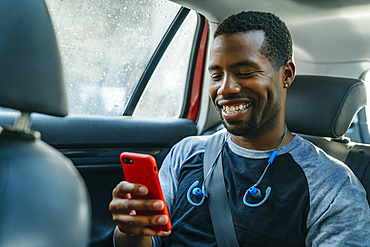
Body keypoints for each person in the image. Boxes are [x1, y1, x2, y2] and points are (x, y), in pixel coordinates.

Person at [109, 11, 370, 246]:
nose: (225, 88)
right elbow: (150, 243)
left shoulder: (333, 185)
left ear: (287, 74)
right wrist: (131, 230)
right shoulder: (187, 152)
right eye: (216, 75)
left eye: (245, 72)